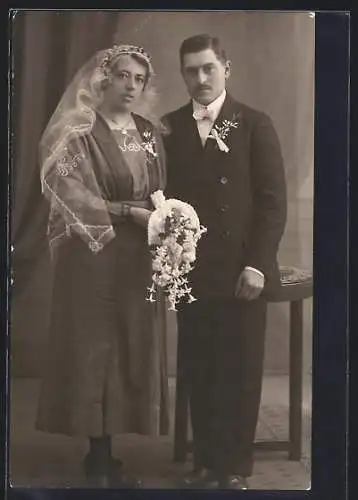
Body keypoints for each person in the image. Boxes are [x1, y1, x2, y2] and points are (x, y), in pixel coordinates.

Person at [35, 44, 169, 488]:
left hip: (136, 254)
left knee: (128, 343)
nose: (131, 86)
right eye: (123, 76)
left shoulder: (148, 132)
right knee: (94, 346)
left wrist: (166, 219)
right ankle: (96, 453)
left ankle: (112, 444)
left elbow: (158, 189)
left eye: (139, 79)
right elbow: (68, 191)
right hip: (92, 253)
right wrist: (128, 213)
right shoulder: (79, 132)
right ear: (103, 79)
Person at [162, 34, 287, 490]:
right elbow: (165, 201)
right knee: (199, 366)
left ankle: (234, 468)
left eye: (208, 68)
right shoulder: (170, 127)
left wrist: (257, 264)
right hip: (193, 272)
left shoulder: (254, 123)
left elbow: (273, 205)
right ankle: (208, 463)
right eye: (190, 71)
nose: (199, 78)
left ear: (226, 68)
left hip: (241, 271)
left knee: (239, 370)